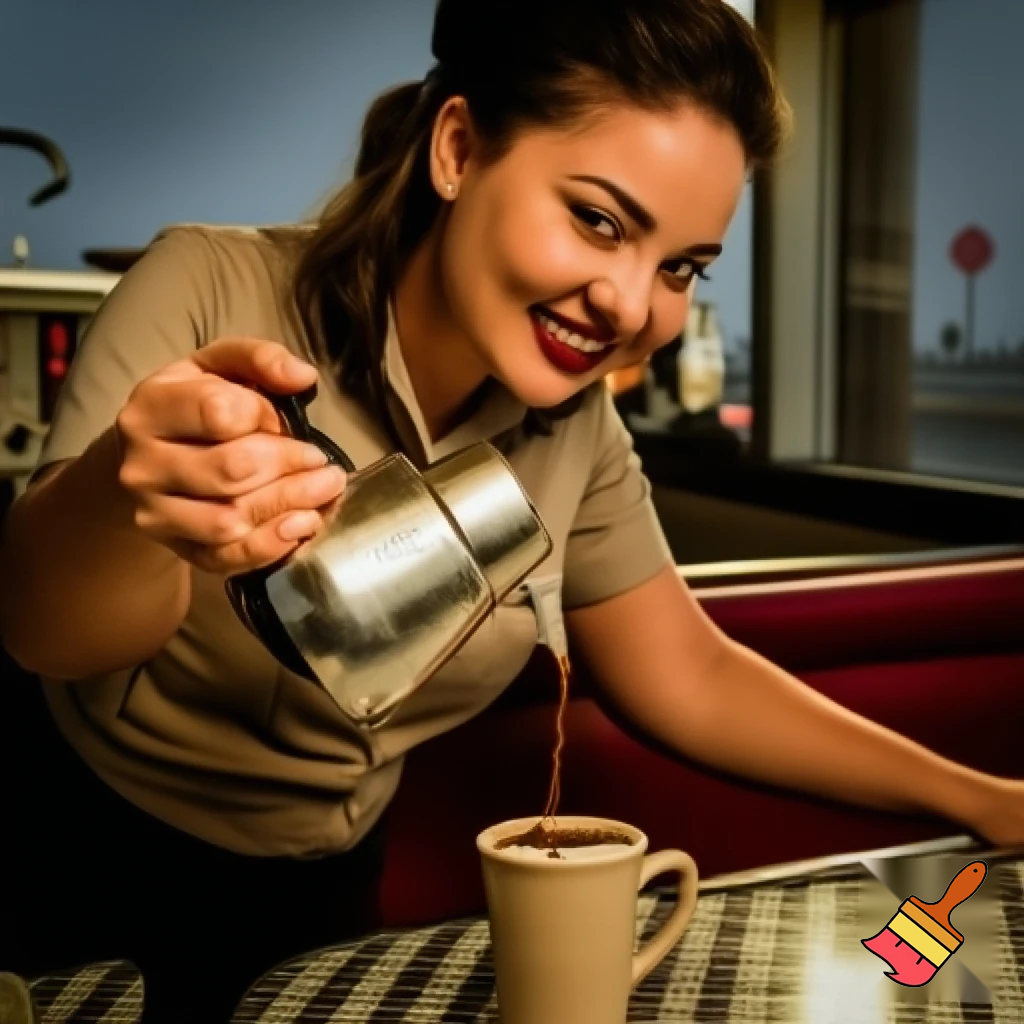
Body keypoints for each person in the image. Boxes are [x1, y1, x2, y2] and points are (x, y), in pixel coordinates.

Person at [2, 0, 1022, 1020]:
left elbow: (689, 674)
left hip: (332, 892)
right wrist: (120, 492)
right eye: (598, 220)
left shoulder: (577, 426)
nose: (631, 305)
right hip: (88, 861)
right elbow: (51, 636)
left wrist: (978, 797)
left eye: (679, 266)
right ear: (458, 149)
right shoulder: (205, 287)